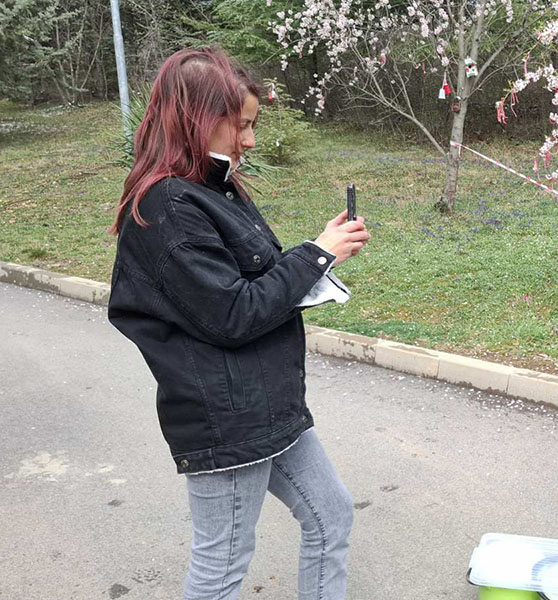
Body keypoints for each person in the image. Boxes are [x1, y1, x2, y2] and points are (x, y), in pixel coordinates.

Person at [107, 47, 370, 600]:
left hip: (266, 405)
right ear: (199, 118)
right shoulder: (169, 206)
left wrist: (315, 256)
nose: (249, 140)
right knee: (223, 563)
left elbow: (254, 284)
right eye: (241, 125)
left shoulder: (212, 188)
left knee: (331, 516)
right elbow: (233, 313)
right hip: (227, 420)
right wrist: (317, 254)